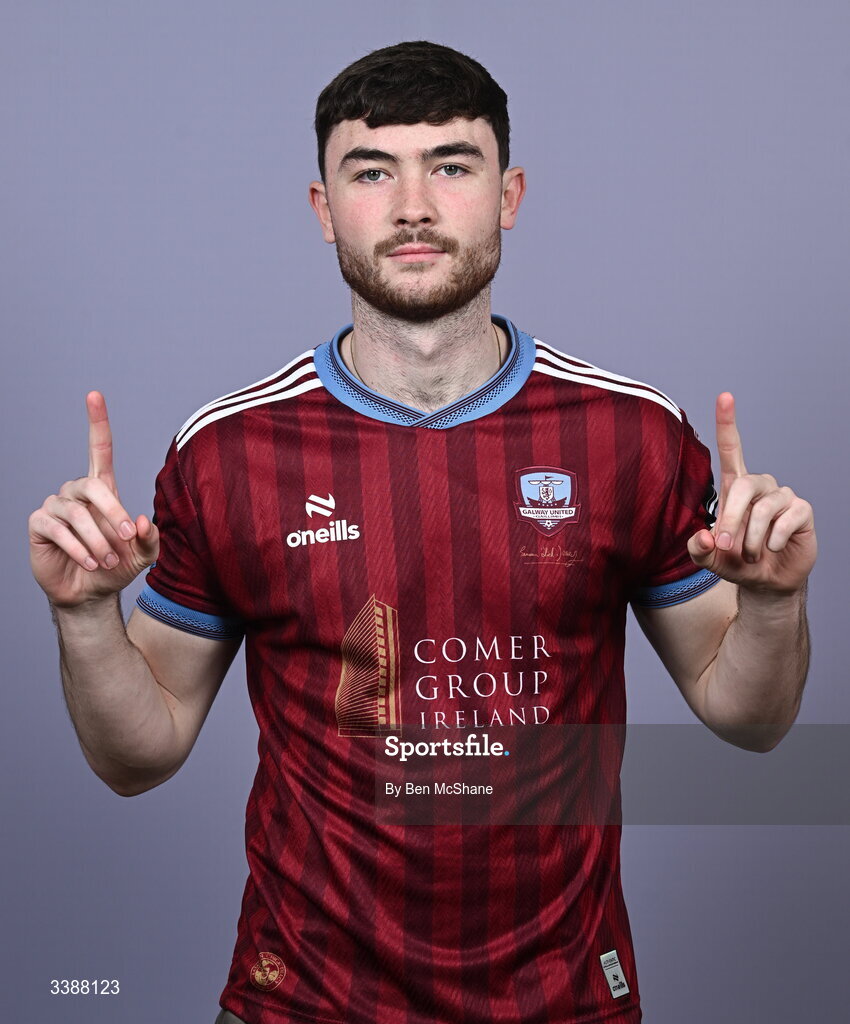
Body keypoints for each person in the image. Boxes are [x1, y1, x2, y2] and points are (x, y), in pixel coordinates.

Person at [28, 40, 816, 1024]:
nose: (412, 206)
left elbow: (751, 718)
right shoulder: (229, 451)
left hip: (565, 1001)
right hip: (303, 1001)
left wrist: (774, 604)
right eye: (371, 172)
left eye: (450, 166)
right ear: (323, 209)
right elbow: (135, 757)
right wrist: (86, 617)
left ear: (508, 195)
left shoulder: (630, 435)